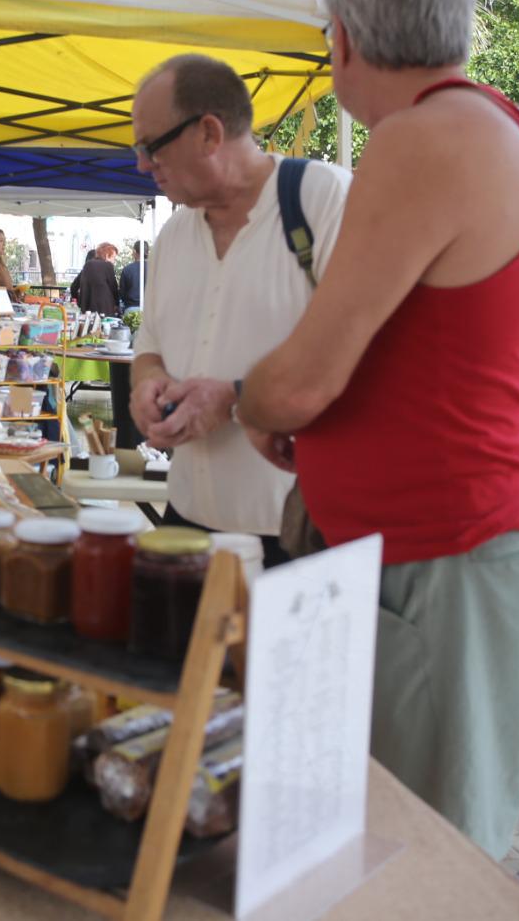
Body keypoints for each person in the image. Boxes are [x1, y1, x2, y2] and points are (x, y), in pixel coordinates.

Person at [236, 0, 519, 859]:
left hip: (449, 553)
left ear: (342, 37)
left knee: (422, 862)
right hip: (467, 548)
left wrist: (255, 401)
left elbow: (302, 382)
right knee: (409, 846)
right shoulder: (510, 134)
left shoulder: (425, 138)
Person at [130, 52, 351, 565]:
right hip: (187, 523)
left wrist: (234, 400)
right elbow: (150, 346)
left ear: (209, 133)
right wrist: (148, 385)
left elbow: (366, 356)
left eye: (151, 146)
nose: (142, 165)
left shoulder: (323, 200)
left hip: (297, 534)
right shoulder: (173, 235)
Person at [69, 242, 120, 315]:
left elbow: (73, 287)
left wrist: (79, 301)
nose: (114, 261)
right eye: (113, 257)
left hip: (87, 309)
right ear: (107, 255)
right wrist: (117, 304)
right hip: (105, 309)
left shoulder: (87, 265)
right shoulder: (108, 266)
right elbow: (114, 288)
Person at [119, 241, 147, 312]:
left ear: (134, 251)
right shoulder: (154, 269)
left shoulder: (127, 269)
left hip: (131, 308)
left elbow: (122, 292)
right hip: (150, 308)